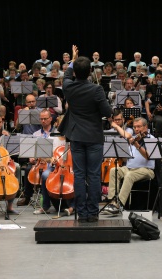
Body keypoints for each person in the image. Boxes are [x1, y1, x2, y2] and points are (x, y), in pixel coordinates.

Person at [59, 46, 113, 222]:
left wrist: (72, 60)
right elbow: (107, 112)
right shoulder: (96, 90)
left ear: (75, 71)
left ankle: (81, 213)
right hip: (94, 137)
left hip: (76, 136)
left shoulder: (68, 87)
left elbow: (67, 75)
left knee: (80, 175)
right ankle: (93, 213)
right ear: (91, 71)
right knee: (94, 175)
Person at [102, 117, 155, 215]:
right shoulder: (133, 138)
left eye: (139, 126)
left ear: (146, 127)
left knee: (129, 175)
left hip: (146, 170)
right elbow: (128, 157)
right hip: (130, 168)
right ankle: (112, 202)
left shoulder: (150, 138)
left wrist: (137, 145)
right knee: (114, 170)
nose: (136, 129)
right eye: (134, 127)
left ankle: (119, 204)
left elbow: (148, 156)